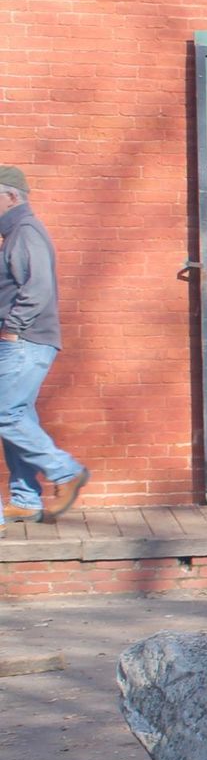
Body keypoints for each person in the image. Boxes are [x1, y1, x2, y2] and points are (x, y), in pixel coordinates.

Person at [0, 167, 89, 525]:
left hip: (25, 341)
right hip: (21, 340)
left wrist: (12, 328)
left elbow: (37, 289)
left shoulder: (26, 231)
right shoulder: (15, 234)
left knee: (5, 414)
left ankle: (65, 472)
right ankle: (25, 499)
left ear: (11, 197)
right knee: (17, 415)